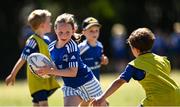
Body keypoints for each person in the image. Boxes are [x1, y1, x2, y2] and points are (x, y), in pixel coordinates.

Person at [92, 27, 180, 106]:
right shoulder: (164, 60)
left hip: (157, 99)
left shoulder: (135, 65)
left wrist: (102, 98)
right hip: (176, 95)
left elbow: (119, 82)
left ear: (136, 49)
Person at [36, 13, 107, 107]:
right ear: (55, 30)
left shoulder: (72, 46)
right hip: (71, 86)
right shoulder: (51, 47)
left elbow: (72, 72)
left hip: (88, 83)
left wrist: (50, 70)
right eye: (60, 32)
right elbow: (56, 67)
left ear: (73, 30)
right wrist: (45, 70)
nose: (64, 36)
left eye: (68, 32)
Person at [5, 9, 60, 107]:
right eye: (49, 22)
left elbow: (51, 57)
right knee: (43, 103)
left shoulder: (47, 39)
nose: (51, 24)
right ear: (42, 25)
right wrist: (13, 74)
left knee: (36, 103)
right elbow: (23, 58)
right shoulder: (32, 41)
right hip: (36, 79)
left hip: (45, 76)